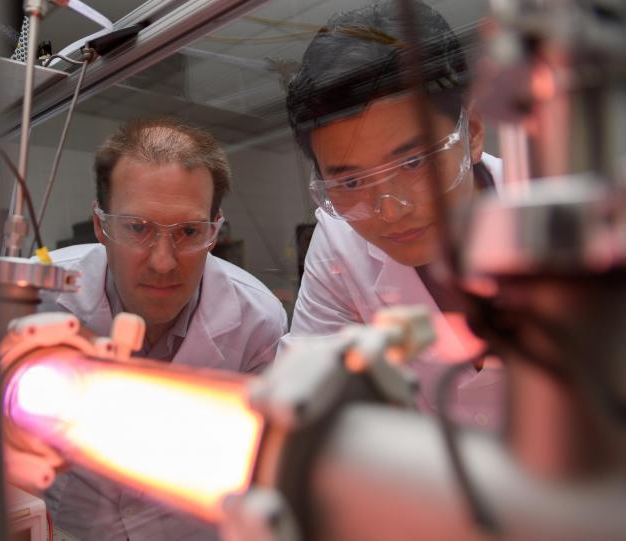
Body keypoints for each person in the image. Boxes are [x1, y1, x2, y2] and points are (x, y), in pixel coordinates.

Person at [38, 118, 288, 540]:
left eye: (189, 231)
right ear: (101, 226)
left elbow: (261, 469)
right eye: (137, 228)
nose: (163, 262)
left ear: (214, 231)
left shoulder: (257, 320)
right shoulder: (37, 292)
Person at [283, 0, 505, 426]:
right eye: (351, 183)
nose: (389, 210)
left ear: (472, 131)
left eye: (413, 162)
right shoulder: (339, 240)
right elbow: (311, 409)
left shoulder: (567, 217)